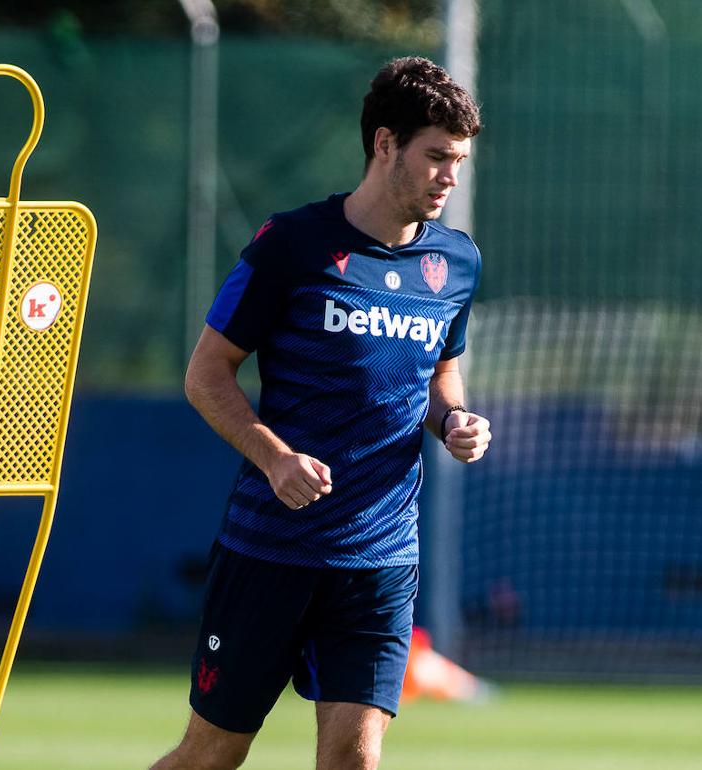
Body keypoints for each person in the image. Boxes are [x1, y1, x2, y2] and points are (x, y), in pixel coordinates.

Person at [151, 56, 490, 770]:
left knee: (353, 761)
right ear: (385, 144)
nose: (449, 178)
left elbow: (440, 376)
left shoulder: (457, 263)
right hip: (270, 549)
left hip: (381, 559)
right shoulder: (293, 246)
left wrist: (455, 419)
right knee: (212, 755)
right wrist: (273, 457)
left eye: (458, 161)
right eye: (436, 157)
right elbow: (206, 374)